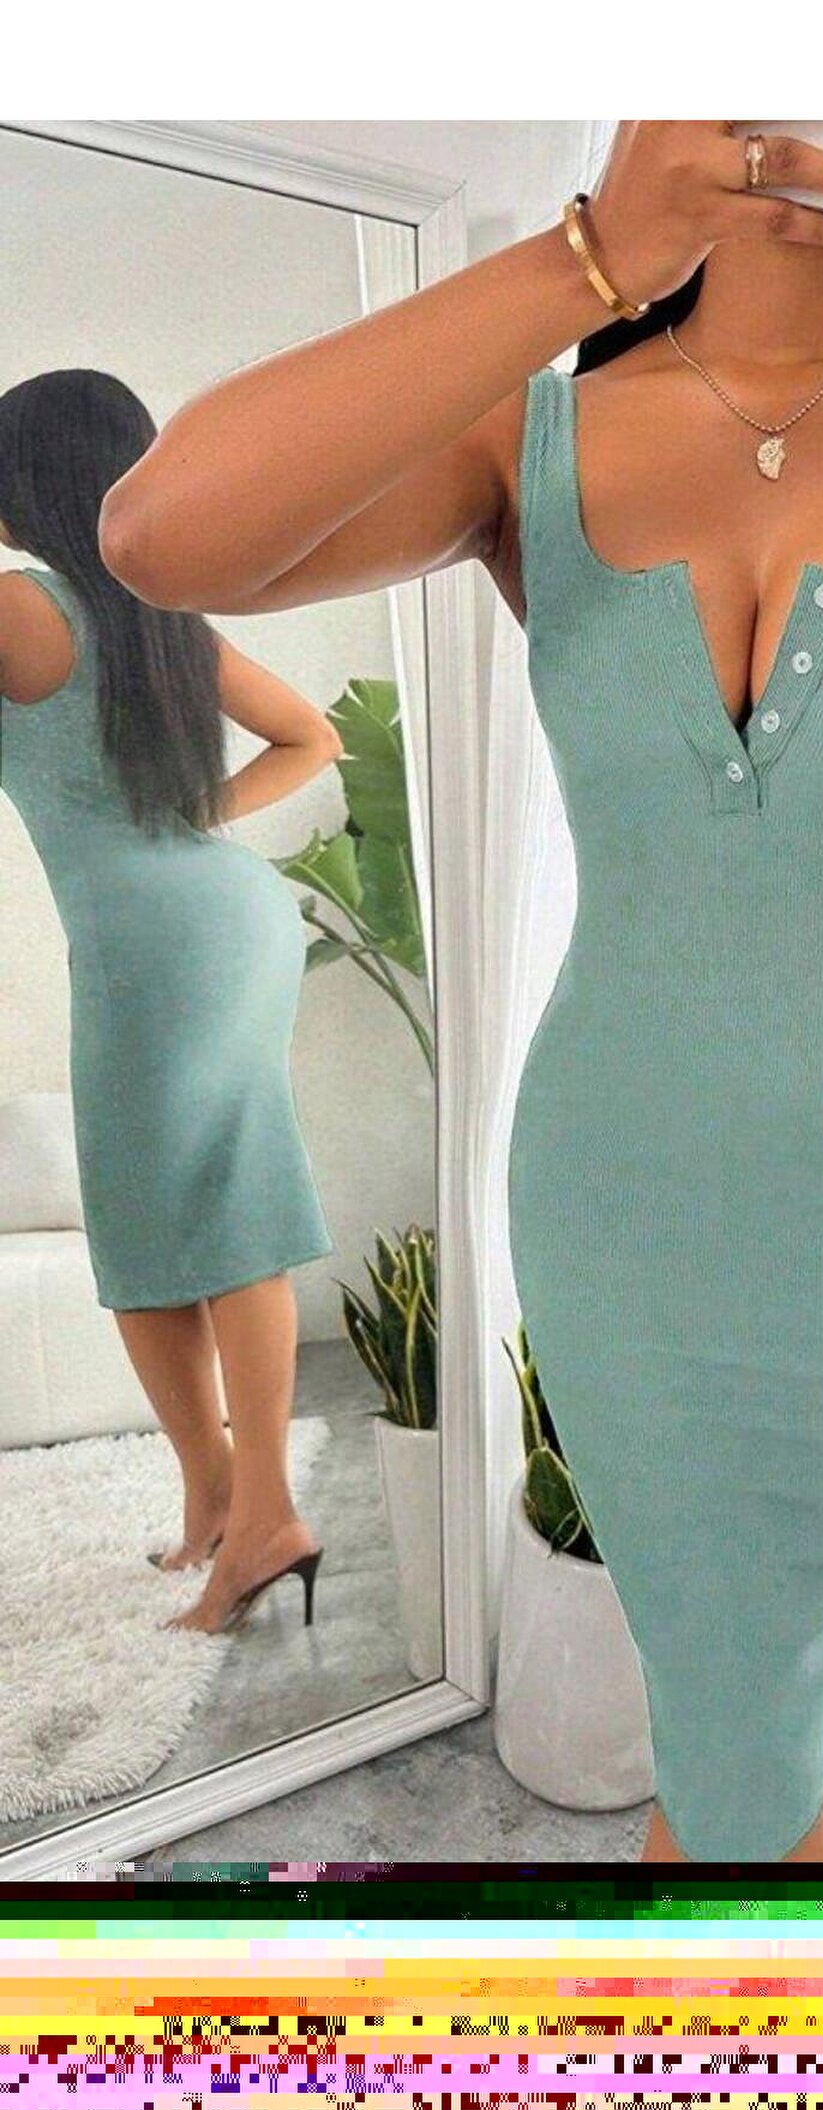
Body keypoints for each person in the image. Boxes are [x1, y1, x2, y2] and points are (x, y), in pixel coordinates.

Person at [96, 123, 823, 1856]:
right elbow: (161, 537)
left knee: (762, 1716)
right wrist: (589, 261)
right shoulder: (526, 440)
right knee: (728, 1712)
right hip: (625, 1197)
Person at [0, 368, 339, 1635]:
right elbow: (313, 736)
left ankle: (266, 1517)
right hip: (228, 919)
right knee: (171, 1217)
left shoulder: (16, 605)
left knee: (184, 1221)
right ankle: (217, 1500)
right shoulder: (159, 617)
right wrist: (196, 815)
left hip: (150, 948)